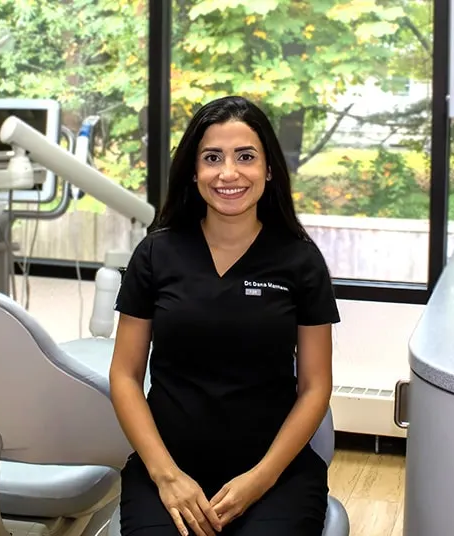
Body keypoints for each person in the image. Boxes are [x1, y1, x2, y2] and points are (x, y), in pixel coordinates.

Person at [109, 95, 341, 536]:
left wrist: (262, 479)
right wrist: (165, 475)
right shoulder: (156, 254)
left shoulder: (299, 261)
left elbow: (315, 386)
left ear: (268, 169)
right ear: (193, 171)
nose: (228, 173)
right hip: (169, 468)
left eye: (246, 157)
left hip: (275, 473)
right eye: (212, 158)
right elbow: (123, 375)